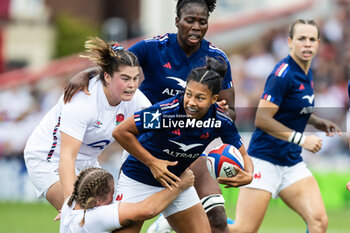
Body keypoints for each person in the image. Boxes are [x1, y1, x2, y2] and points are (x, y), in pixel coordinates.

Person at [63, 1, 238, 232]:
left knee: (217, 219)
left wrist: (224, 111)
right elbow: (118, 66)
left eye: (202, 22)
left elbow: (231, 113)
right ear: (177, 21)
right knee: (128, 225)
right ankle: (163, 224)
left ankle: (165, 223)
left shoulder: (217, 58)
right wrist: (88, 73)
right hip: (148, 147)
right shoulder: (152, 48)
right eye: (189, 20)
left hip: (189, 150)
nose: (196, 27)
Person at [112, 57, 253, 233]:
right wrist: (153, 163)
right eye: (188, 94)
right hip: (138, 178)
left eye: (200, 98)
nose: (191, 102)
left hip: (177, 182)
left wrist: (249, 175)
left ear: (214, 99)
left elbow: (244, 155)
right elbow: (121, 132)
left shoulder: (221, 121)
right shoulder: (166, 111)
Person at [229, 19, 342, 233]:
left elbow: (292, 109)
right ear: (290, 42)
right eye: (301, 39)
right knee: (243, 229)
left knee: (319, 222)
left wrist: (318, 122)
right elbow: (262, 119)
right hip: (264, 161)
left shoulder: (307, 72)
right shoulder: (283, 74)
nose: (307, 44)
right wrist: (302, 139)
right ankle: (181, 221)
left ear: (318, 43)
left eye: (311, 39)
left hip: (291, 163)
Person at [24, 37, 151, 211]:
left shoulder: (137, 100)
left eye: (136, 78)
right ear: (107, 77)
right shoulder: (83, 100)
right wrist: (70, 204)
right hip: (49, 158)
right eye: (125, 78)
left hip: (88, 162)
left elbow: (156, 131)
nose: (132, 85)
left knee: (107, 216)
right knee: (80, 212)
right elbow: (67, 157)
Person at [59, 167, 195, 233]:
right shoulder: (97, 217)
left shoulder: (68, 205)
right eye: (113, 194)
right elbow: (148, 210)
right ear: (98, 201)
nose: (115, 198)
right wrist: (181, 185)